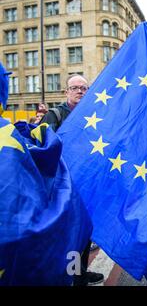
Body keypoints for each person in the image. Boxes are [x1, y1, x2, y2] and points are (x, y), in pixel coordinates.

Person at [41, 74, 104, 286]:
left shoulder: (94, 114)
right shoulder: (55, 115)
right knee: (69, 235)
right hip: (63, 187)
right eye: (75, 88)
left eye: (84, 88)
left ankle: (80, 273)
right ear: (66, 91)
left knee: (84, 231)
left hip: (87, 185)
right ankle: (71, 277)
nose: (80, 91)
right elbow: (43, 146)